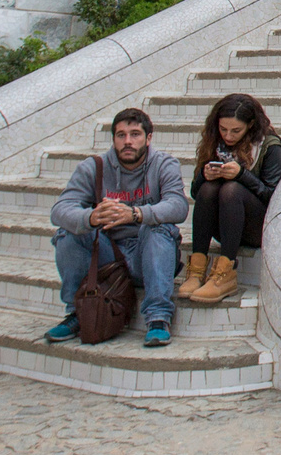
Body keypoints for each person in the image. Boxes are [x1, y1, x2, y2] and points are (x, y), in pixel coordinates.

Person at [45, 108, 187, 347]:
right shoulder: (94, 167)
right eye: (121, 135)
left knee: (159, 228)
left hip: (148, 254)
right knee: (67, 233)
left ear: (148, 137)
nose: (128, 142)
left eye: (135, 134)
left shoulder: (164, 164)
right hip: (109, 257)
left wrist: (136, 214)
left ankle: (158, 318)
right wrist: (91, 217)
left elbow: (178, 207)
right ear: (113, 139)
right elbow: (59, 210)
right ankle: (78, 312)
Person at [183, 94, 281, 304]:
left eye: (235, 131)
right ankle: (197, 269)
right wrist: (204, 176)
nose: (228, 136)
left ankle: (225, 272)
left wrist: (242, 175)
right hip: (224, 224)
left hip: (256, 225)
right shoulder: (215, 142)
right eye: (223, 129)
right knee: (208, 189)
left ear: (250, 125)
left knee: (232, 189)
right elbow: (196, 195)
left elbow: (273, 197)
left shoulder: (269, 146)